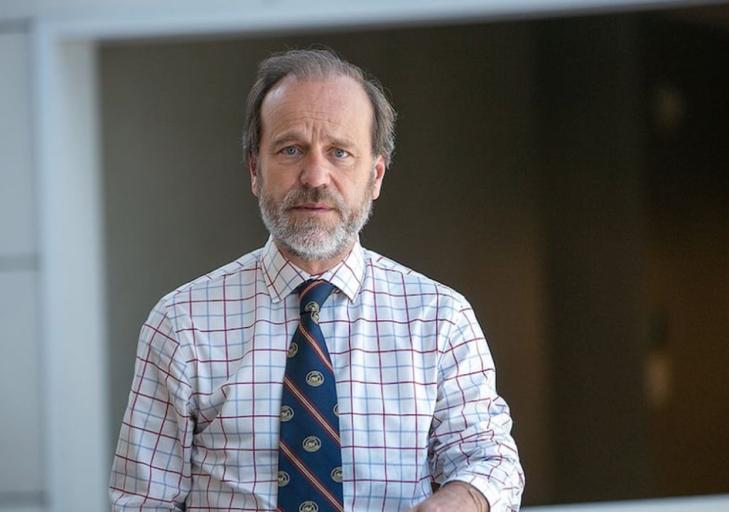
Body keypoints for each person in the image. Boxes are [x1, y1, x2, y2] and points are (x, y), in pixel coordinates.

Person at [109, 48, 524, 512]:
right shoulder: (181, 323)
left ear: (376, 176)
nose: (315, 177)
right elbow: (143, 502)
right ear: (254, 169)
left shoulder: (440, 319)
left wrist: (459, 501)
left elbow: (491, 461)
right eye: (291, 150)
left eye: (339, 153)